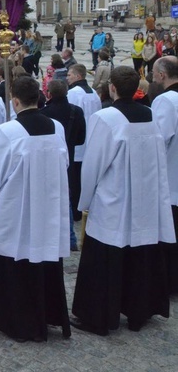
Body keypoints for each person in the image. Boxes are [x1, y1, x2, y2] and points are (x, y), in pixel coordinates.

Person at [71, 66, 176, 336]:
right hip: (144, 199)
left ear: (112, 88)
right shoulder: (150, 115)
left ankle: (97, 316)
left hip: (114, 200)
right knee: (138, 254)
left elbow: (94, 163)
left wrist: (84, 200)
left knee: (104, 258)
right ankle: (137, 310)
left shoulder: (105, 118)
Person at [0, 76, 71, 342]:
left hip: (13, 209)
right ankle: (45, 314)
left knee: (11, 258)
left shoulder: (8, 132)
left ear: (14, 101)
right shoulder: (57, 128)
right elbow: (65, 164)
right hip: (47, 207)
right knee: (41, 257)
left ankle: (10, 318)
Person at [40, 80, 86, 252]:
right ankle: (70, 239)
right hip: (71, 156)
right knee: (66, 196)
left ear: (49, 94)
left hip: (50, 159)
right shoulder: (77, 111)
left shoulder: (45, 113)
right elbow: (81, 139)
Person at [146, 56, 178, 294]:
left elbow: (158, 139)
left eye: (155, 72)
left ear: (162, 76)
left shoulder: (166, 101)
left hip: (171, 178)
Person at [66, 64, 101, 221]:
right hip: (90, 139)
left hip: (77, 140)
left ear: (78, 76)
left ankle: (76, 209)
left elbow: (71, 115)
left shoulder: (73, 93)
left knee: (74, 180)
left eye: (69, 75)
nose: (67, 78)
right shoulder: (94, 93)